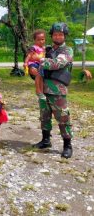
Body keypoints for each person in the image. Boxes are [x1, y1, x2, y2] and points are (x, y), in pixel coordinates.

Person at [33, 23, 74, 159]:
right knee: (44, 116)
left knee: (63, 118)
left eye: (60, 34)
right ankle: (46, 140)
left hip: (58, 91)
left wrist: (40, 60)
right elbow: (38, 67)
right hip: (44, 88)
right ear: (52, 36)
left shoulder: (67, 50)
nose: (58, 36)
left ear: (64, 36)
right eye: (55, 34)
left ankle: (67, 146)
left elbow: (58, 63)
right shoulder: (48, 49)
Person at [24, 29, 46, 100]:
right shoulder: (34, 47)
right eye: (38, 40)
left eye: (42, 39)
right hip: (33, 64)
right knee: (38, 75)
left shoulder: (43, 48)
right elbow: (29, 56)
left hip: (40, 65)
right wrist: (25, 63)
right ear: (35, 40)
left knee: (41, 77)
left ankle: (41, 91)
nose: (41, 41)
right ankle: (37, 90)